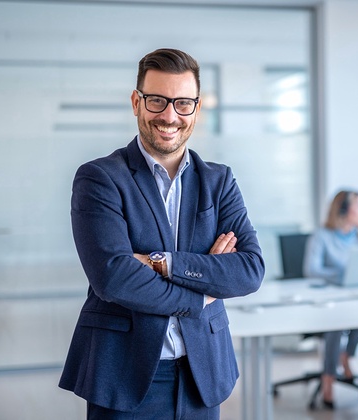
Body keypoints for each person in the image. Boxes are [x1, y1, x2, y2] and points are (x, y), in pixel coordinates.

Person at [59, 48, 265, 419]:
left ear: (197, 109)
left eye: (183, 103)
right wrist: (201, 294)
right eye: (157, 100)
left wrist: (162, 263)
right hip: (126, 374)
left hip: (203, 372)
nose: (170, 115)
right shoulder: (100, 178)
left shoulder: (218, 182)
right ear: (136, 102)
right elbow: (114, 278)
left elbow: (249, 270)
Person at [303, 190, 358, 408]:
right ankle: (328, 377)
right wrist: (341, 274)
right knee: (336, 325)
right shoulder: (323, 236)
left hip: (355, 297)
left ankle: (346, 355)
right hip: (327, 299)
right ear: (343, 210)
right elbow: (311, 270)